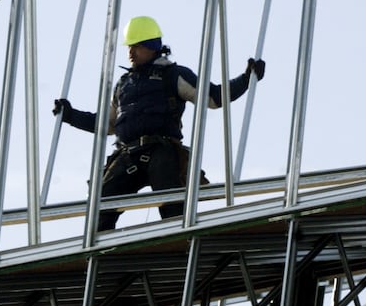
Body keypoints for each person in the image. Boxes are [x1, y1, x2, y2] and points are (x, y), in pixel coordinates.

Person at [53, 16, 266, 231]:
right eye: (130, 46)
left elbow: (213, 97)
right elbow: (107, 124)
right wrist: (71, 115)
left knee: (171, 203)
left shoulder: (173, 75)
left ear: (152, 47)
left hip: (161, 150)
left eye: (137, 46)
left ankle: (178, 240)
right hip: (128, 154)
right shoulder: (124, 84)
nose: (131, 52)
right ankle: (103, 253)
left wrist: (247, 78)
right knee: (102, 203)